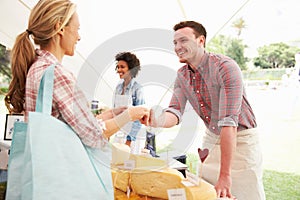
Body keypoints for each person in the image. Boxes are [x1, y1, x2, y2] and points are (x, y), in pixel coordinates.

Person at [4, 0, 149, 149]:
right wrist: (129, 115)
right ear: (59, 27)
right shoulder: (57, 74)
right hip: (59, 168)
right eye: (77, 29)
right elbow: (94, 136)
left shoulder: (36, 67)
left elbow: (71, 127)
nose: (78, 37)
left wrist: (112, 114)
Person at [149, 21, 265, 199]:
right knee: (207, 193)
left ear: (201, 40)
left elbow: (229, 124)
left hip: (241, 139)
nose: (177, 47)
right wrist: (156, 119)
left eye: (183, 41)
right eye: (175, 43)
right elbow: (175, 112)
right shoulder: (182, 75)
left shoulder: (225, 67)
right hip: (212, 138)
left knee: (244, 194)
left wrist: (225, 175)